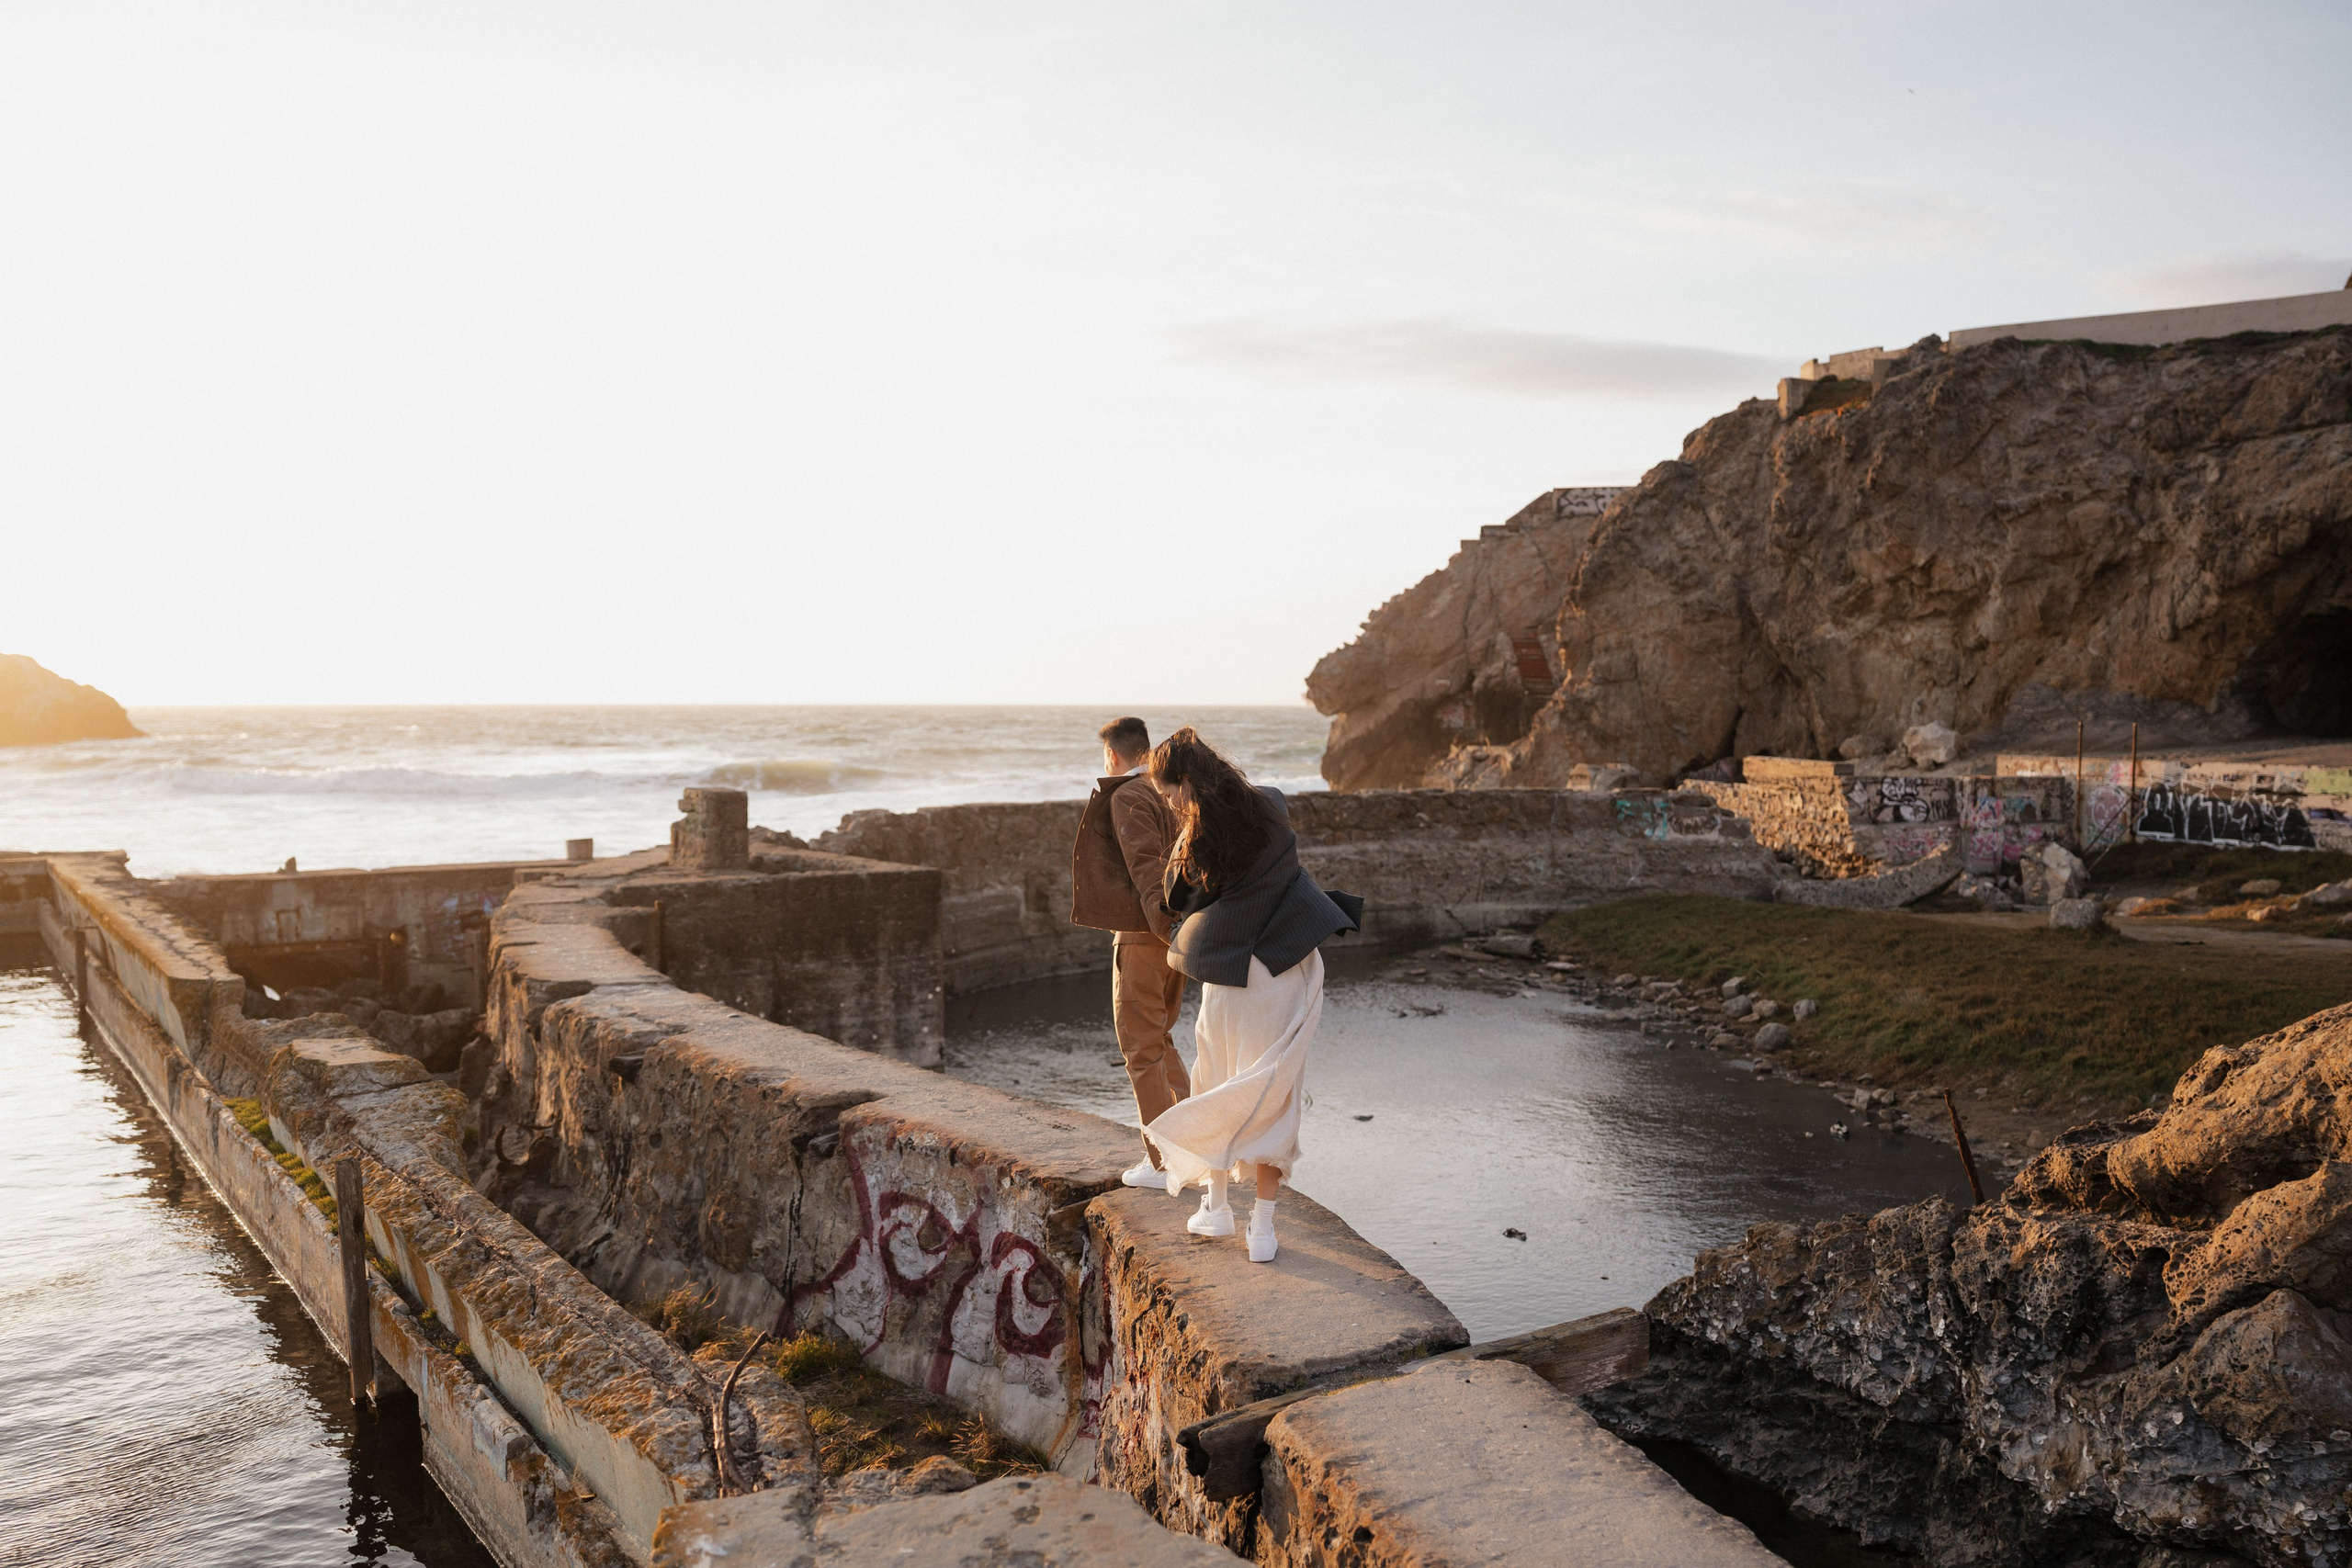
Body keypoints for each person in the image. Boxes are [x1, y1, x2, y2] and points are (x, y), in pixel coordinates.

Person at [1140, 728, 1361, 1264]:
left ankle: (1215, 1209)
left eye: (1170, 793)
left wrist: (1186, 828)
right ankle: (1261, 1228)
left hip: (1235, 972)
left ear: (1187, 780)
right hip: (1290, 961)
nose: (1169, 803)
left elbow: (1175, 895)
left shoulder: (1200, 838)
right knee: (1274, 1089)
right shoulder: (1272, 807)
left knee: (1217, 1078)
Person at [1069, 716, 1191, 1191]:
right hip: (1174, 933)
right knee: (1160, 1040)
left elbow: (1147, 870)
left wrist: (1165, 931)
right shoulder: (1170, 793)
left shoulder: (1127, 796)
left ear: (1114, 756)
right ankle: (1195, 1143)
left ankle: (1163, 1163)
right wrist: (1181, 935)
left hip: (1146, 935)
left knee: (1141, 1050)